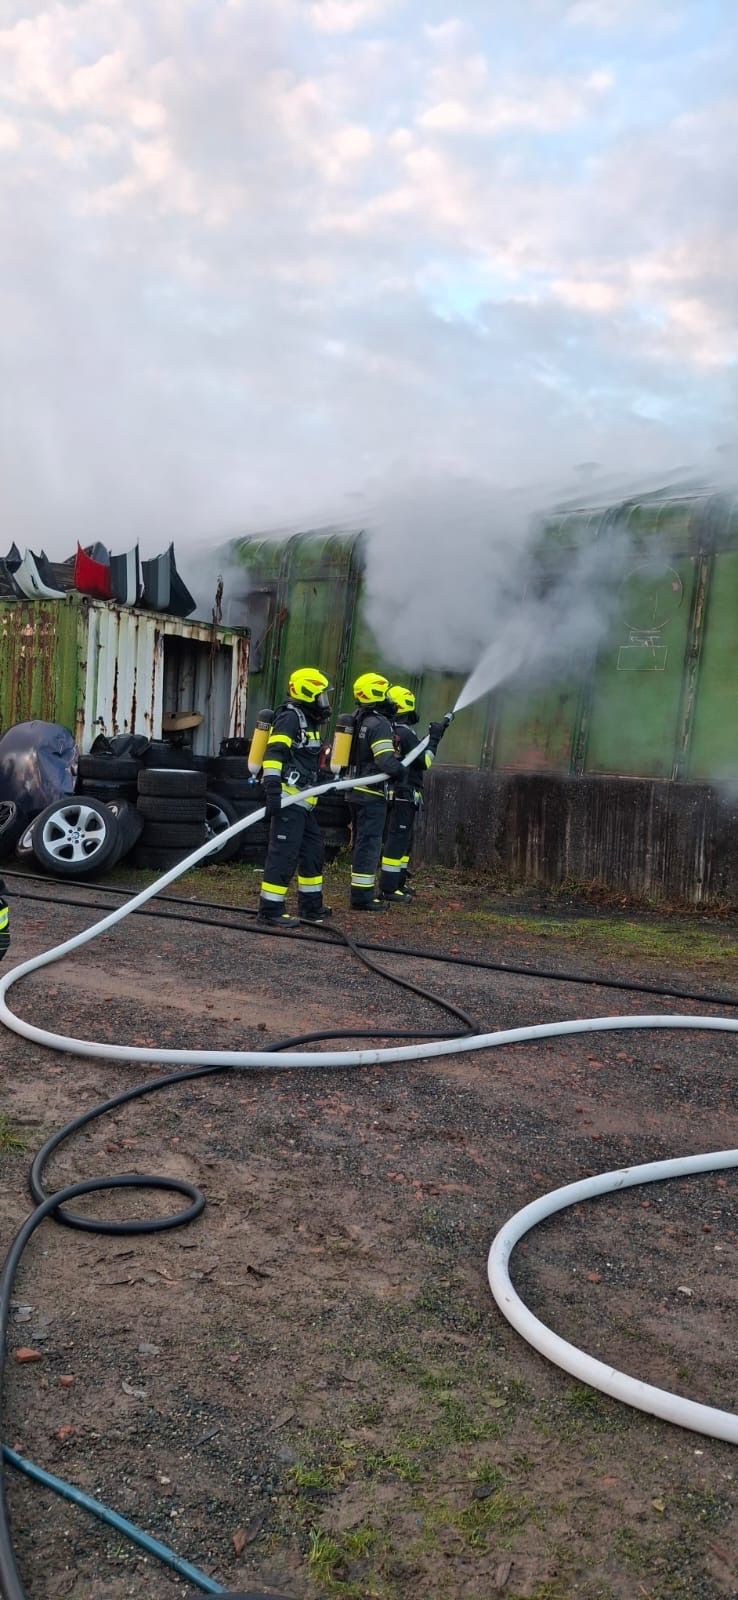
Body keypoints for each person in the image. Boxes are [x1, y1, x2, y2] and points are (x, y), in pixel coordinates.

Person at [257, 668, 333, 929]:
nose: (324, 701)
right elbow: (274, 754)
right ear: (307, 693)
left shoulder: (307, 722)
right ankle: (270, 910)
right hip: (289, 800)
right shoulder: (289, 718)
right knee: (283, 854)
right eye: (321, 696)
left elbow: (307, 759)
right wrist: (272, 791)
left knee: (313, 853)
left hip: (304, 801)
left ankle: (311, 908)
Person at [346, 672, 408, 911]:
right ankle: (362, 897)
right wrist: (401, 771)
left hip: (354, 791)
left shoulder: (357, 718)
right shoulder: (379, 723)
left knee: (361, 842)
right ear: (376, 693)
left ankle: (360, 892)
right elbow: (385, 761)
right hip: (372, 793)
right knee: (369, 844)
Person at [379, 687, 448, 901]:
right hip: (404, 792)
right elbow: (423, 762)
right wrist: (435, 739)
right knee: (398, 840)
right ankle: (389, 889)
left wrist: (431, 736)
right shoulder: (405, 732)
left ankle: (398, 883)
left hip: (397, 793)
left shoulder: (390, 729)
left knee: (403, 839)